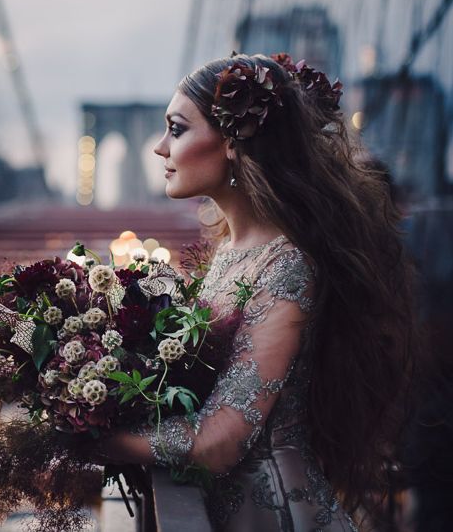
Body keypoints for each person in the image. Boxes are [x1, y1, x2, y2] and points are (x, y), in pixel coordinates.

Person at [95, 53, 416, 531]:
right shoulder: (232, 251)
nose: (160, 148)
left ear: (230, 141)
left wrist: (89, 439)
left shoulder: (286, 265)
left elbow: (219, 441)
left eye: (177, 129)